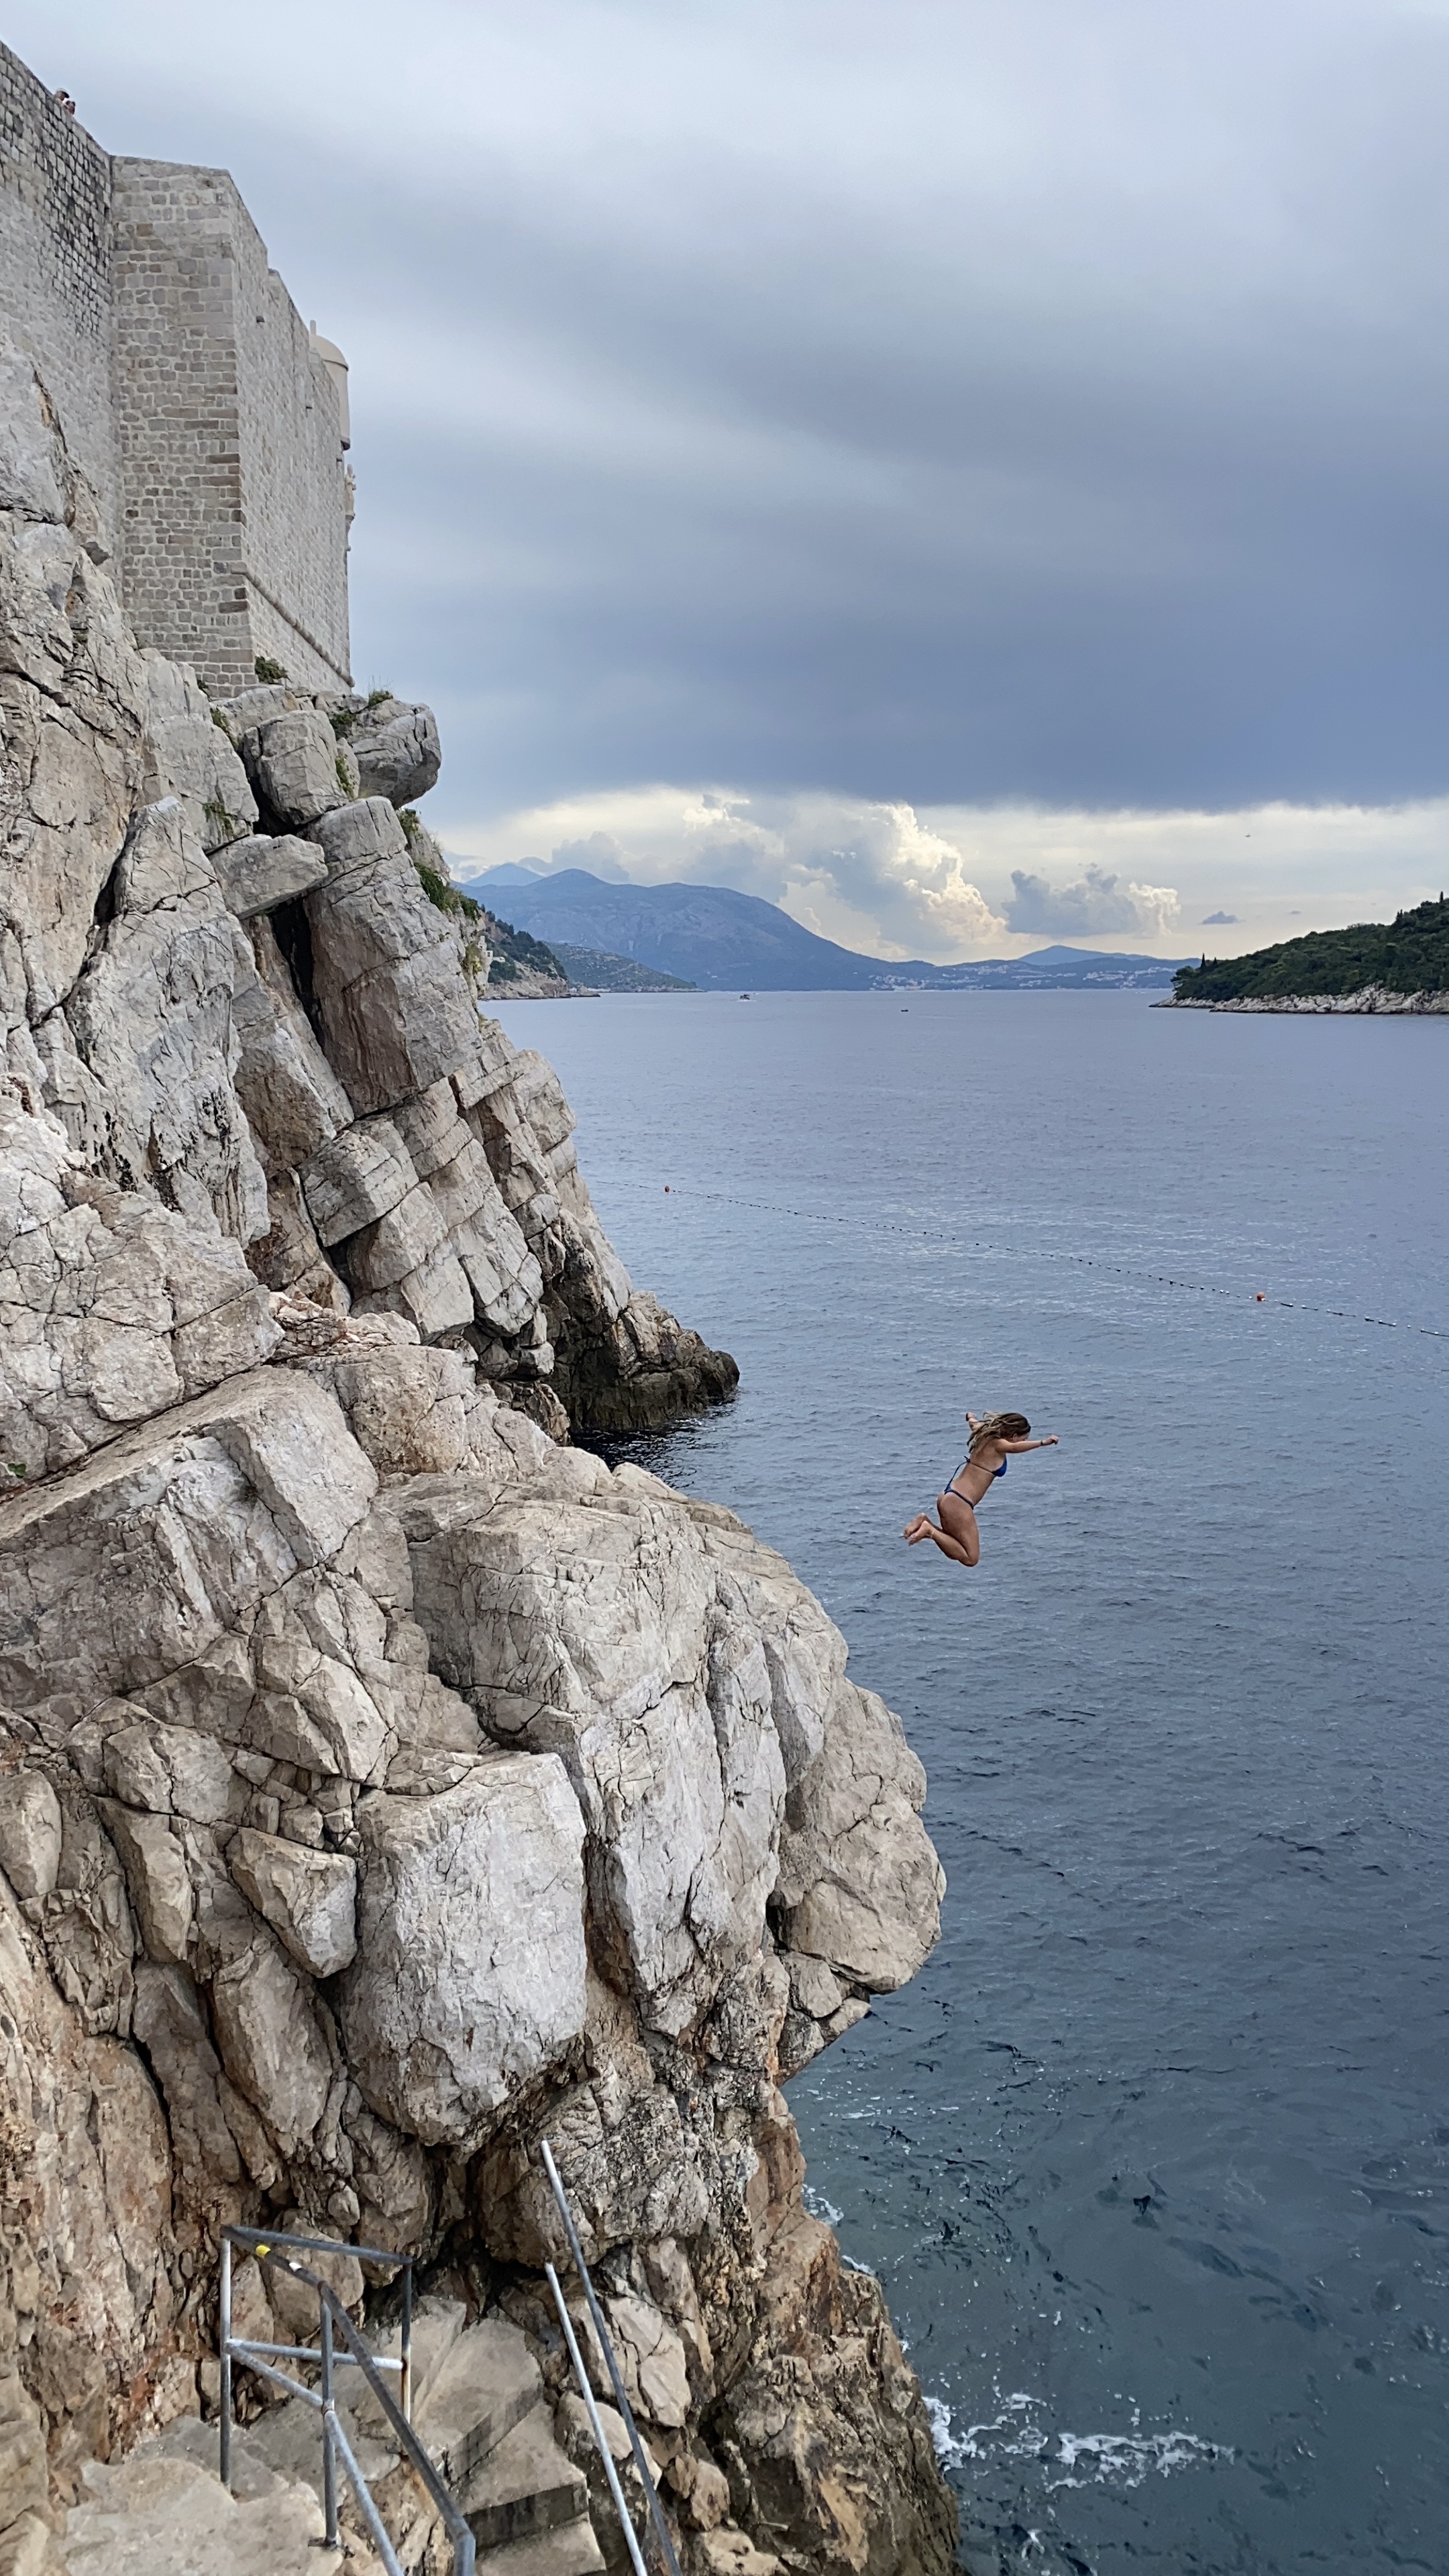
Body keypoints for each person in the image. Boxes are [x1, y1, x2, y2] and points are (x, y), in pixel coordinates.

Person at [904, 1409, 1057, 1568]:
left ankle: (925, 1522)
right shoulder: (998, 1444)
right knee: (971, 1558)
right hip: (959, 1503)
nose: (1024, 1442)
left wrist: (971, 1417)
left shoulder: (984, 1434)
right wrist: (1042, 1443)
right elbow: (1014, 1448)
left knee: (953, 1545)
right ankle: (928, 1530)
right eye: (1024, 1439)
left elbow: (973, 1424)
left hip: (949, 1496)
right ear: (1014, 1437)